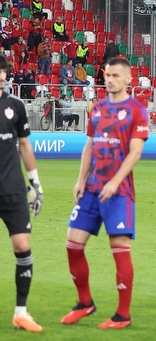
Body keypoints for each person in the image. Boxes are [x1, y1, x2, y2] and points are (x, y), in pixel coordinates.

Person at [62, 57, 149, 329]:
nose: (109, 79)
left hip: (119, 192)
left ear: (128, 79)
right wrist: (80, 179)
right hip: (92, 190)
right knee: (72, 244)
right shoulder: (96, 109)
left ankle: (122, 315)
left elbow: (136, 152)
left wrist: (115, 181)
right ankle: (85, 303)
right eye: (106, 74)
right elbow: (89, 146)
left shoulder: (137, 111)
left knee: (119, 249)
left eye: (114, 75)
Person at [0, 55, 44, 332]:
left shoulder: (15, 106)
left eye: (2, 73)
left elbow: (24, 146)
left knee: (22, 246)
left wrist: (35, 185)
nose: (1, 78)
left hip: (12, 189)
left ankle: (21, 312)